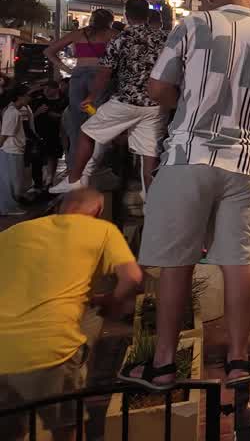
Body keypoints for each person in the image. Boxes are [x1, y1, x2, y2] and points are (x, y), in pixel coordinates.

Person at [122, 0, 250, 390]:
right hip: (247, 164)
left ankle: (164, 362)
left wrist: (193, 97)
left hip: (189, 155)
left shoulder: (193, 25)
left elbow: (157, 89)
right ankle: (239, 362)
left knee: (177, 263)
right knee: (239, 263)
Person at [0, 188, 142, 441]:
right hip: (48, 351)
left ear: (60, 208)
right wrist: (113, 303)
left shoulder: (14, 232)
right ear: (97, 211)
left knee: (9, 430)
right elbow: (132, 277)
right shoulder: (102, 230)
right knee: (67, 429)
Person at [51, 0, 170, 195]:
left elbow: (105, 73)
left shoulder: (120, 39)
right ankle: (151, 199)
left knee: (87, 132)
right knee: (149, 155)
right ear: (148, 16)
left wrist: (91, 96)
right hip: (154, 104)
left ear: (126, 15)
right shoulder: (164, 39)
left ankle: (74, 180)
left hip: (126, 101)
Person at [45, 9, 118, 171]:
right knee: (97, 116)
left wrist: (67, 69)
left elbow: (49, 51)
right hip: (98, 77)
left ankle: (74, 166)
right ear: (109, 21)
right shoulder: (112, 34)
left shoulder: (78, 34)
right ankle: (96, 163)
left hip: (78, 77)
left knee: (77, 119)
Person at [26, 80, 67, 191]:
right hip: (38, 135)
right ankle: (37, 183)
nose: (46, 91)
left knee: (52, 157)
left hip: (55, 134)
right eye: (45, 89)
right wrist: (38, 112)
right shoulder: (39, 100)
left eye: (49, 89)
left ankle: (49, 181)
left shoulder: (64, 100)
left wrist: (58, 116)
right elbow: (30, 118)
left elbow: (68, 116)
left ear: (56, 89)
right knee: (37, 159)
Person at [0, 86, 32, 216]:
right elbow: (5, 135)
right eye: (27, 95)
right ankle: (8, 208)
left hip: (13, 150)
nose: (29, 98)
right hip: (11, 151)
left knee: (11, 181)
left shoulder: (12, 110)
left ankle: (8, 206)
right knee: (11, 182)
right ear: (20, 97)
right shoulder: (13, 112)